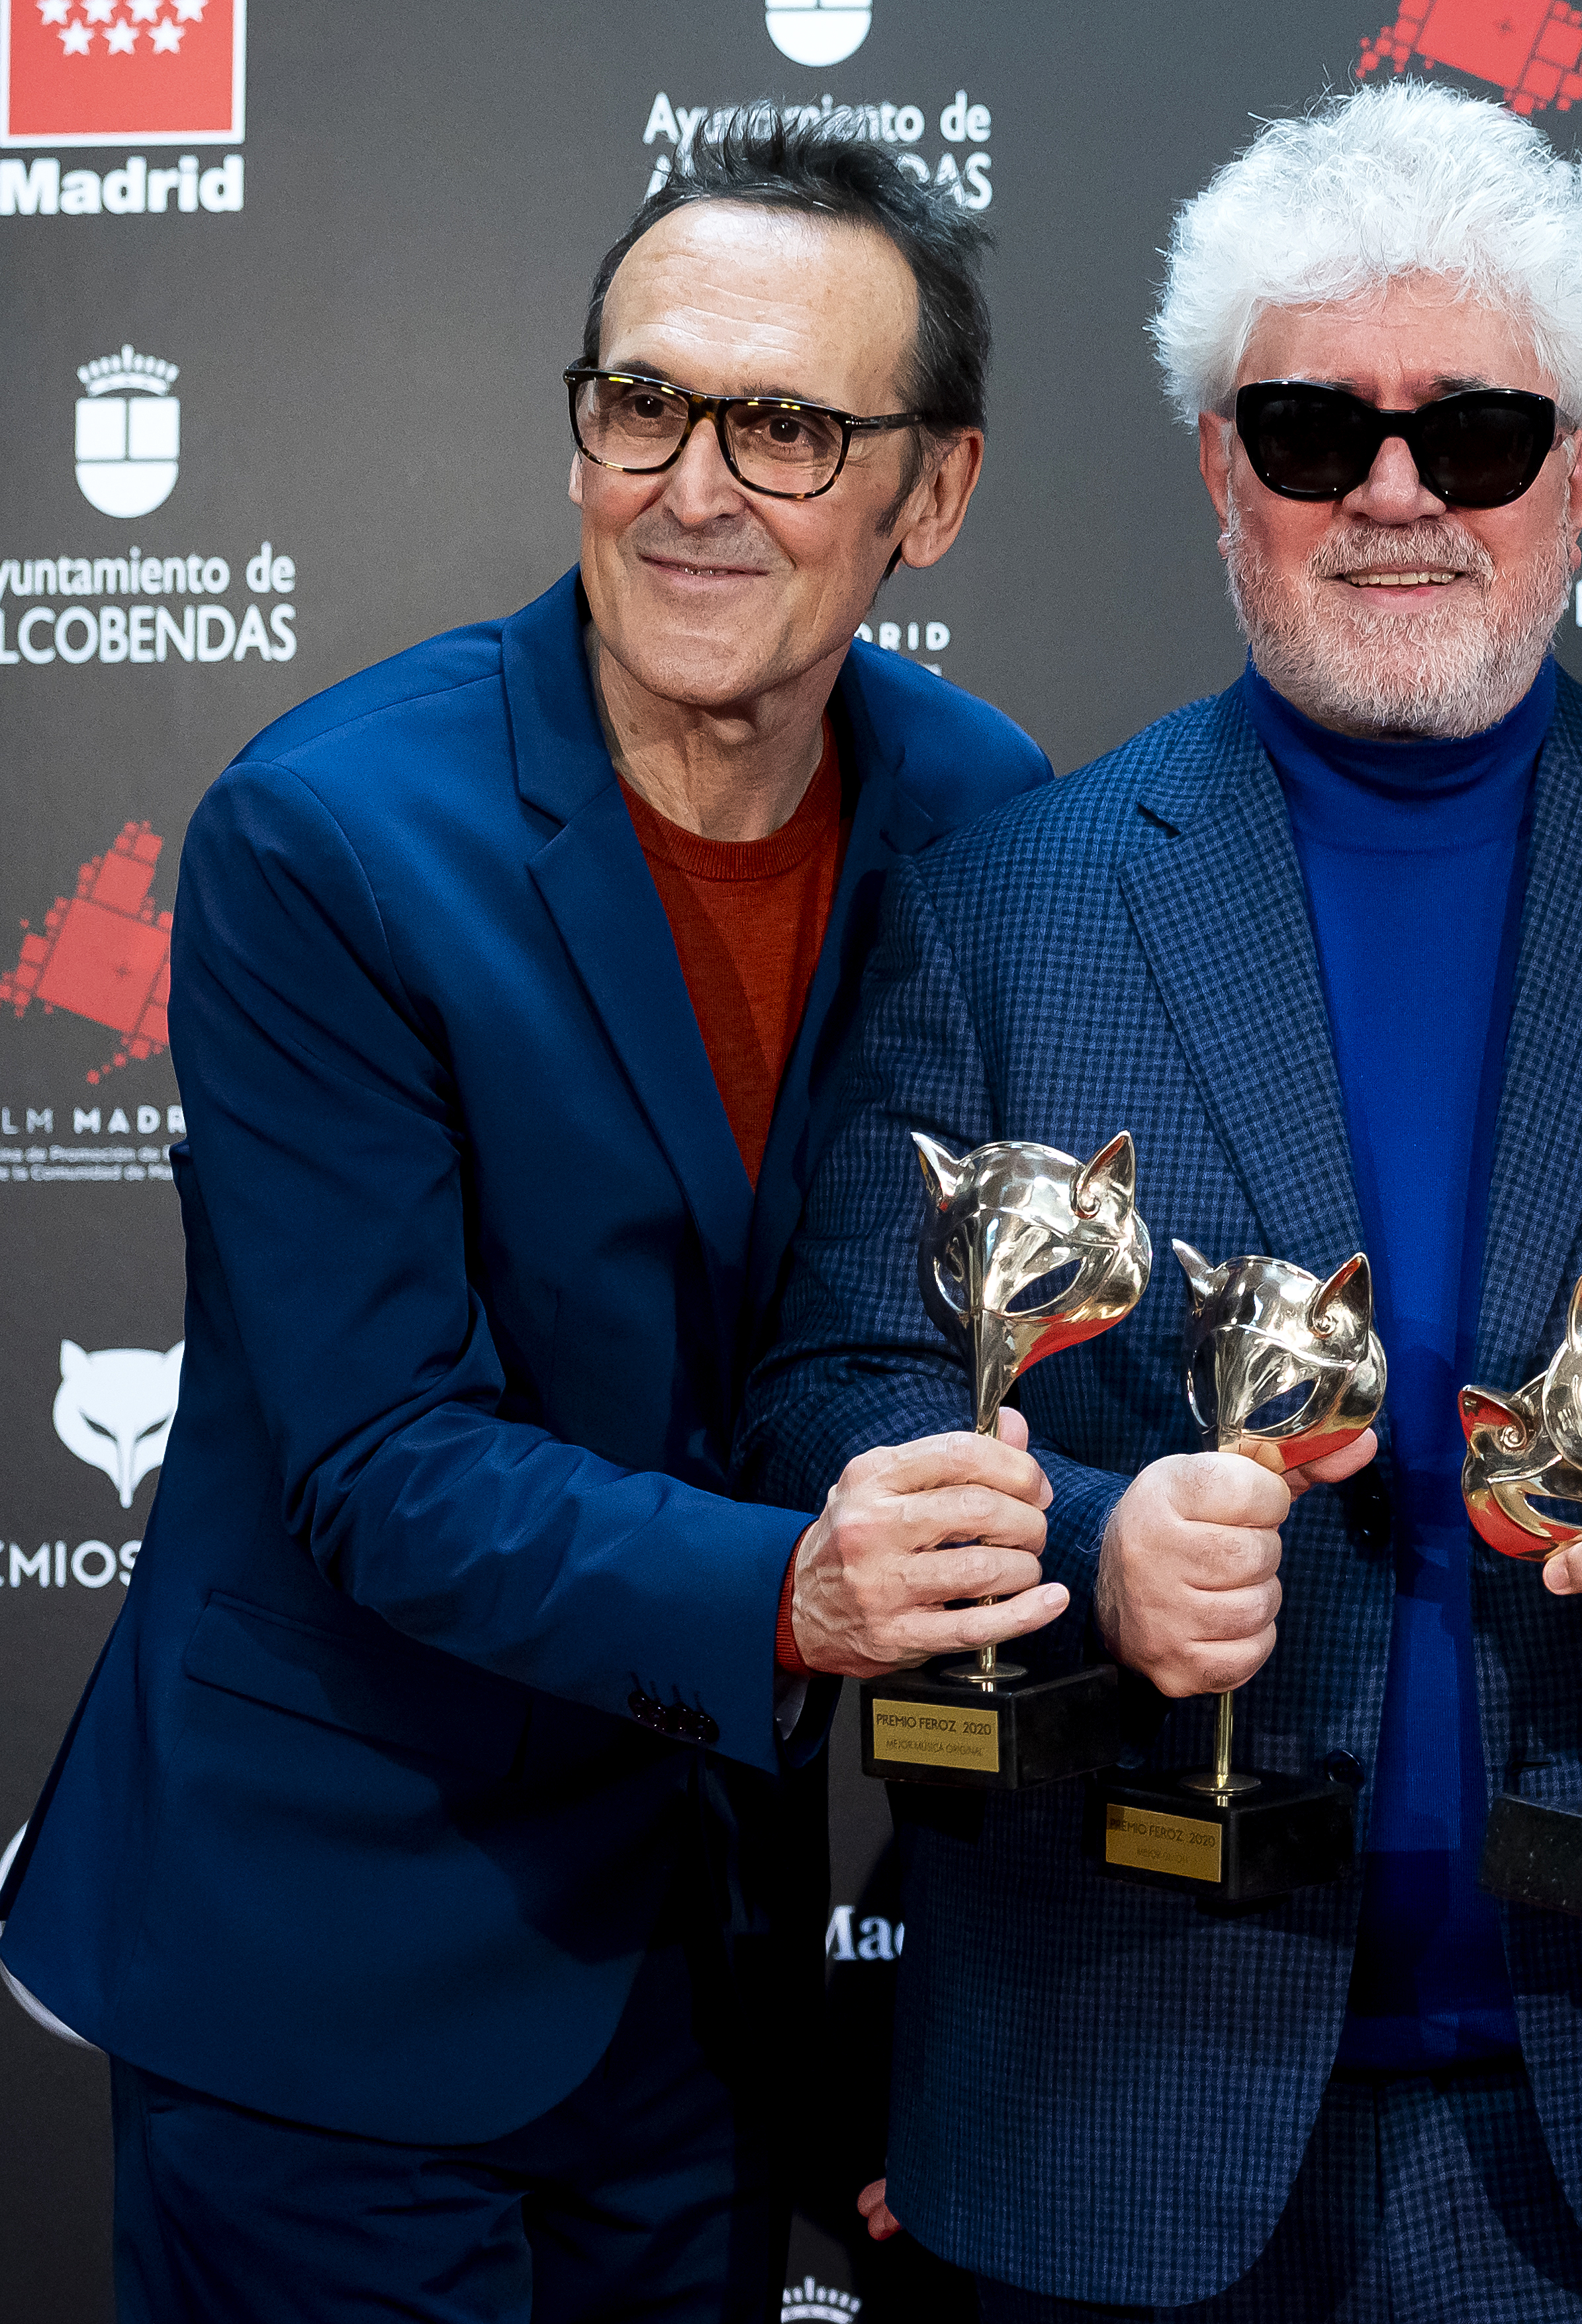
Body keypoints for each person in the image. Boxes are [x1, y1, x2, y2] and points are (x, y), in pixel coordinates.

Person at [738, 82, 1582, 2323]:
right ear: (1225, 466)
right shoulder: (1002, 906)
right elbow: (833, 1387)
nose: (1398, 492)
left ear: (1581, 469)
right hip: (1119, 2130)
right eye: (1318, 433)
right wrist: (1086, 1553)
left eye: (1478, 437)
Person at [0, 122, 1064, 2319]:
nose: (693, 484)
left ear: (929, 494)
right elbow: (382, 1464)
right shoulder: (328, 840)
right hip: (330, 1966)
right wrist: (795, 1587)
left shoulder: (989, 815)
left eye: (783, 427)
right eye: (642, 402)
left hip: (699, 1985)